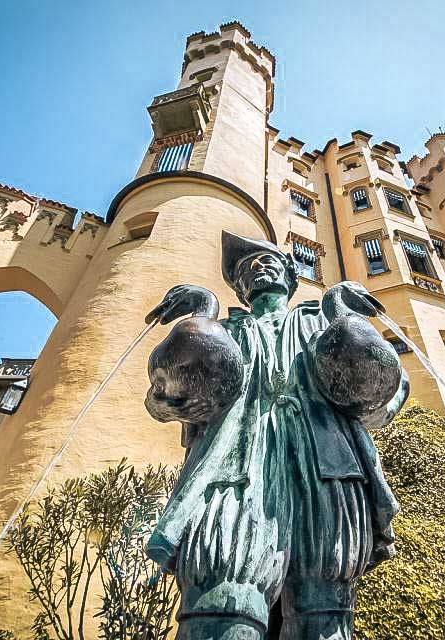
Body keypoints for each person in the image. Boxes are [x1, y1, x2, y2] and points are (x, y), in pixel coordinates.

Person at [144, 231, 408, 640]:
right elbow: (163, 398)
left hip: (326, 462)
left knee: (325, 597)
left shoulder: (320, 321)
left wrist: (343, 311)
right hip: (237, 463)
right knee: (223, 588)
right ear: (241, 289)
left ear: (290, 275)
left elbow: (389, 386)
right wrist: (200, 314)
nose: (260, 266)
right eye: (248, 267)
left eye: (270, 261)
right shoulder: (226, 329)